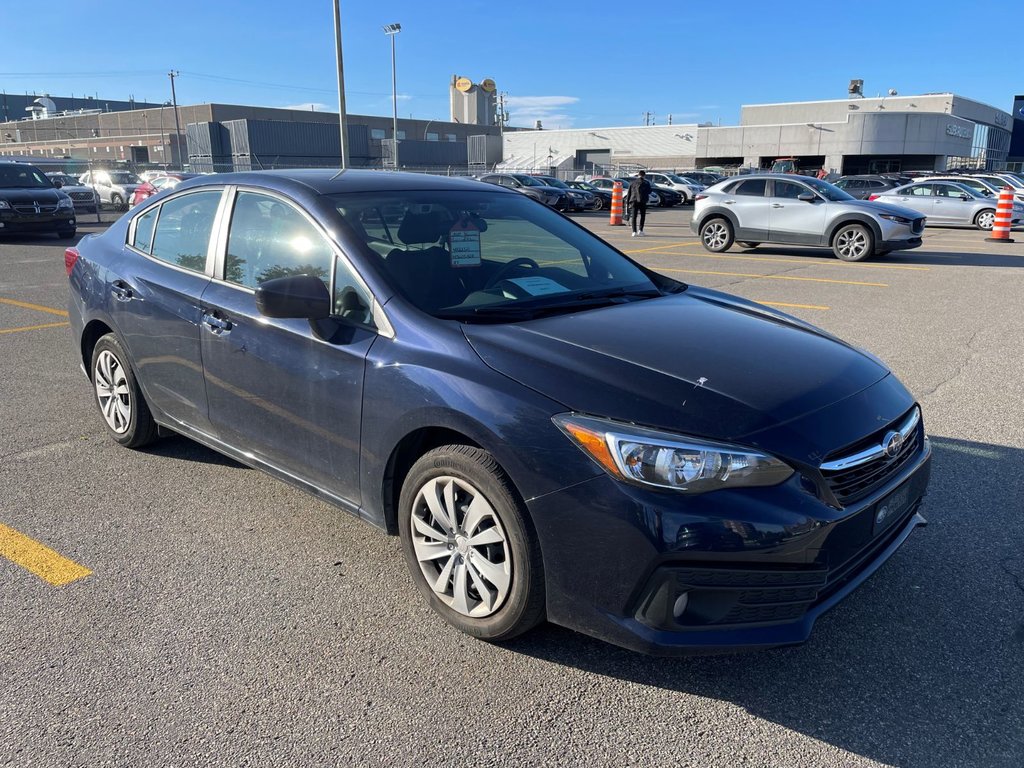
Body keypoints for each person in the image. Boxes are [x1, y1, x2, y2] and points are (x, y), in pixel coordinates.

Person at [627, 171, 652, 237]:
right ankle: (640, 230)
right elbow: (649, 191)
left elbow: (629, 193)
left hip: (634, 200)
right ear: (644, 175)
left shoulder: (632, 182)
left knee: (634, 216)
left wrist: (628, 203)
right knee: (642, 216)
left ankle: (634, 231)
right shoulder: (646, 183)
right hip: (642, 201)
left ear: (638, 175)